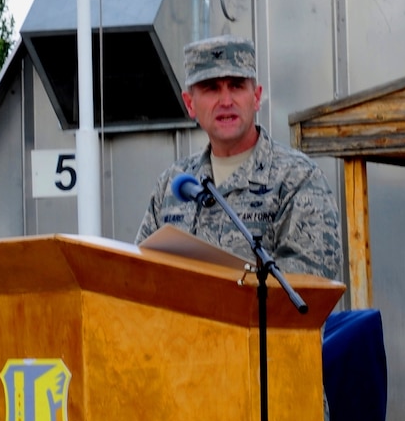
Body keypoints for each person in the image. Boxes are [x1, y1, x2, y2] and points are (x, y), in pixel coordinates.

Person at [136, 37, 342, 280]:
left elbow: (312, 280)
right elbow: (142, 271)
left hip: (260, 319)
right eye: (211, 88)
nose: (226, 101)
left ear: (256, 97)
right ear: (190, 104)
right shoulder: (173, 183)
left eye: (236, 86)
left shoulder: (297, 178)